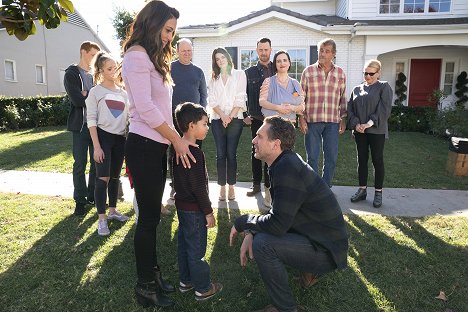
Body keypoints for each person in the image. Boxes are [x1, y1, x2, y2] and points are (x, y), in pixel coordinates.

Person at [229, 116, 349, 312]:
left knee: (264, 244)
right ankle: (308, 272)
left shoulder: (286, 168)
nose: (253, 140)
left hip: (327, 252)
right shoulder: (285, 162)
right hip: (323, 240)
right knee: (261, 235)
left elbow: (277, 224)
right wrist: (252, 229)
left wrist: (245, 223)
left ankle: (286, 308)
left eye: (259, 136)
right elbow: (282, 213)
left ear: (275, 144)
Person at [121, 0, 195, 308]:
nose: (170, 38)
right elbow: (148, 110)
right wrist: (177, 139)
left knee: (152, 219)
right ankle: (144, 286)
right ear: (152, 24)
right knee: (149, 219)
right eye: (167, 30)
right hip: (143, 144)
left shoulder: (150, 57)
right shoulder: (136, 55)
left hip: (155, 145)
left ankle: (153, 275)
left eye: (173, 32)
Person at [172, 102, 223, 301]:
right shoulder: (195, 154)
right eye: (204, 123)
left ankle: (186, 281)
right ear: (191, 125)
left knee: (184, 245)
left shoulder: (175, 149)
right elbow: (199, 188)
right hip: (194, 210)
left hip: (182, 207)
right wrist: (208, 212)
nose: (207, 127)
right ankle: (202, 288)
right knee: (197, 250)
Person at [85, 52, 129, 236]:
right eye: (109, 69)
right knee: (102, 179)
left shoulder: (124, 92)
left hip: (120, 139)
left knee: (114, 177)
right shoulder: (96, 92)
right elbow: (91, 120)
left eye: (115, 67)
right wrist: (96, 146)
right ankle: (102, 219)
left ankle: (112, 211)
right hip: (103, 138)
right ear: (101, 71)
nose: (114, 71)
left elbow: (128, 119)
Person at [259, 49, 305, 207]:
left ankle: (285, 195)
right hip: (272, 128)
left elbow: (302, 106)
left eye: (285, 60)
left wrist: (292, 108)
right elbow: (262, 102)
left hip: (288, 129)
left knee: (287, 163)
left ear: (289, 63)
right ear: (275, 64)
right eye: (279, 61)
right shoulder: (268, 82)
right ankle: (269, 194)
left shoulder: (295, 84)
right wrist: (278, 108)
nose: (282, 63)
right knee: (271, 161)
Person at [299, 38, 347, 188]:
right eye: (321, 50)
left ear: (333, 54)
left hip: (333, 121)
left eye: (327, 51)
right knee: (312, 157)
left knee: (331, 157)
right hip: (312, 120)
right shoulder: (308, 71)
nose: (322, 54)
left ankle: (325, 188)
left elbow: (343, 97)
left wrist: (343, 118)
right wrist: (301, 118)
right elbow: (301, 97)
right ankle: (313, 188)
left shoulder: (340, 73)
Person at [347, 59, 393, 208]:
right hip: (360, 131)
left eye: (371, 73)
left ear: (378, 73)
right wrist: (356, 124)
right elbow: (350, 109)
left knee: (377, 160)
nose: (367, 76)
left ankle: (378, 193)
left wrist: (369, 123)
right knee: (362, 160)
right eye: (365, 73)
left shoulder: (384, 87)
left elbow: (384, 109)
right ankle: (362, 190)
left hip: (376, 130)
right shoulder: (356, 89)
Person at [168, 38, 208, 201]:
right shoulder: (169, 68)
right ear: (177, 51)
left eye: (189, 50)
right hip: (174, 119)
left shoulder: (198, 71)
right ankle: (176, 185)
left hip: (195, 122)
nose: (187, 53)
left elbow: (203, 94)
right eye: (184, 50)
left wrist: (202, 116)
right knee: (175, 152)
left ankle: (196, 183)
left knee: (195, 151)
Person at [64, 41, 101, 216]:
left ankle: (92, 197)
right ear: (83, 52)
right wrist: (87, 96)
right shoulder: (71, 73)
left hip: (97, 126)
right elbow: (77, 100)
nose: (95, 58)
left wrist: (87, 94)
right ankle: (80, 201)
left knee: (96, 163)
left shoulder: (96, 75)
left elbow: (101, 99)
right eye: (92, 54)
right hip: (80, 127)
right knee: (80, 164)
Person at [207, 47, 247, 201]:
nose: (220, 61)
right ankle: (222, 188)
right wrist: (223, 116)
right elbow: (212, 100)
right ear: (215, 62)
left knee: (231, 154)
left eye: (222, 57)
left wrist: (229, 116)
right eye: (217, 59)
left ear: (228, 58)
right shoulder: (213, 78)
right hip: (217, 119)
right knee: (220, 155)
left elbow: (240, 97)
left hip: (235, 119)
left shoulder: (239, 75)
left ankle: (232, 187)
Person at [244, 37, 274, 198]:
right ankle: (256, 184)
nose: (263, 52)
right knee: (256, 150)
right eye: (260, 50)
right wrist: (244, 115)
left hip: (274, 118)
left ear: (270, 50)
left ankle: (270, 184)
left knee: (272, 150)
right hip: (256, 117)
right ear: (257, 51)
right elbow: (243, 95)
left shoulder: (277, 70)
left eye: (266, 49)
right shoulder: (249, 73)